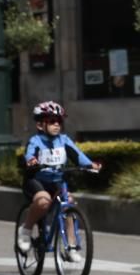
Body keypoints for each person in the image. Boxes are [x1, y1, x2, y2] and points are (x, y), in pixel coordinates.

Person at [18, 101, 100, 262]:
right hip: (36, 181)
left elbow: (77, 155)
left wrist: (91, 165)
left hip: (57, 181)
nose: (57, 125)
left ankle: (71, 247)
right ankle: (26, 230)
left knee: (68, 204)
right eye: (52, 121)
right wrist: (32, 161)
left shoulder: (64, 140)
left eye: (59, 121)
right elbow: (29, 155)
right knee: (43, 201)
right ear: (41, 125)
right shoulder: (36, 141)